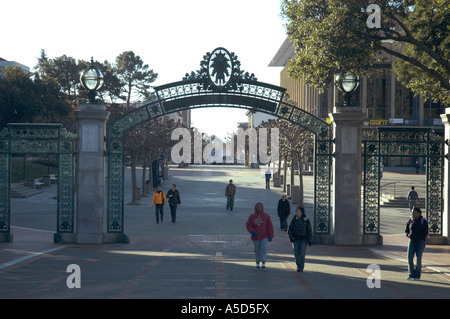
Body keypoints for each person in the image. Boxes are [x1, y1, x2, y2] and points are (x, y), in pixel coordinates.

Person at [246, 202, 274, 271]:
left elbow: (269, 226)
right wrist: (252, 231)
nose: (259, 208)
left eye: (260, 206)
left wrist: (270, 235)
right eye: (258, 206)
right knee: (257, 249)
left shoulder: (266, 216)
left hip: (264, 236)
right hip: (255, 237)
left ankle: (263, 263)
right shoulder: (252, 216)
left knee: (263, 248)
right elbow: (248, 225)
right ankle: (257, 263)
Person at [405, 207, 429, 280]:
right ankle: (411, 274)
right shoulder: (410, 221)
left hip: (420, 242)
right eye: (412, 212)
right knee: (409, 257)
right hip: (412, 241)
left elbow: (425, 232)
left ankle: (417, 275)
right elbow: (406, 230)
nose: (412, 214)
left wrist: (419, 237)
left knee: (418, 259)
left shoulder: (423, 221)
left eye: (414, 212)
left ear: (418, 213)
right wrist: (408, 235)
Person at [287, 207, 312, 272]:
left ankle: (300, 267)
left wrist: (309, 239)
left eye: (298, 211)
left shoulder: (306, 220)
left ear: (302, 212)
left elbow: (309, 230)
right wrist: (290, 236)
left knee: (302, 253)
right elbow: (290, 229)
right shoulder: (294, 219)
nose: (297, 212)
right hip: (295, 238)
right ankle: (298, 263)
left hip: (303, 239)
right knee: (296, 253)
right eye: (296, 211)